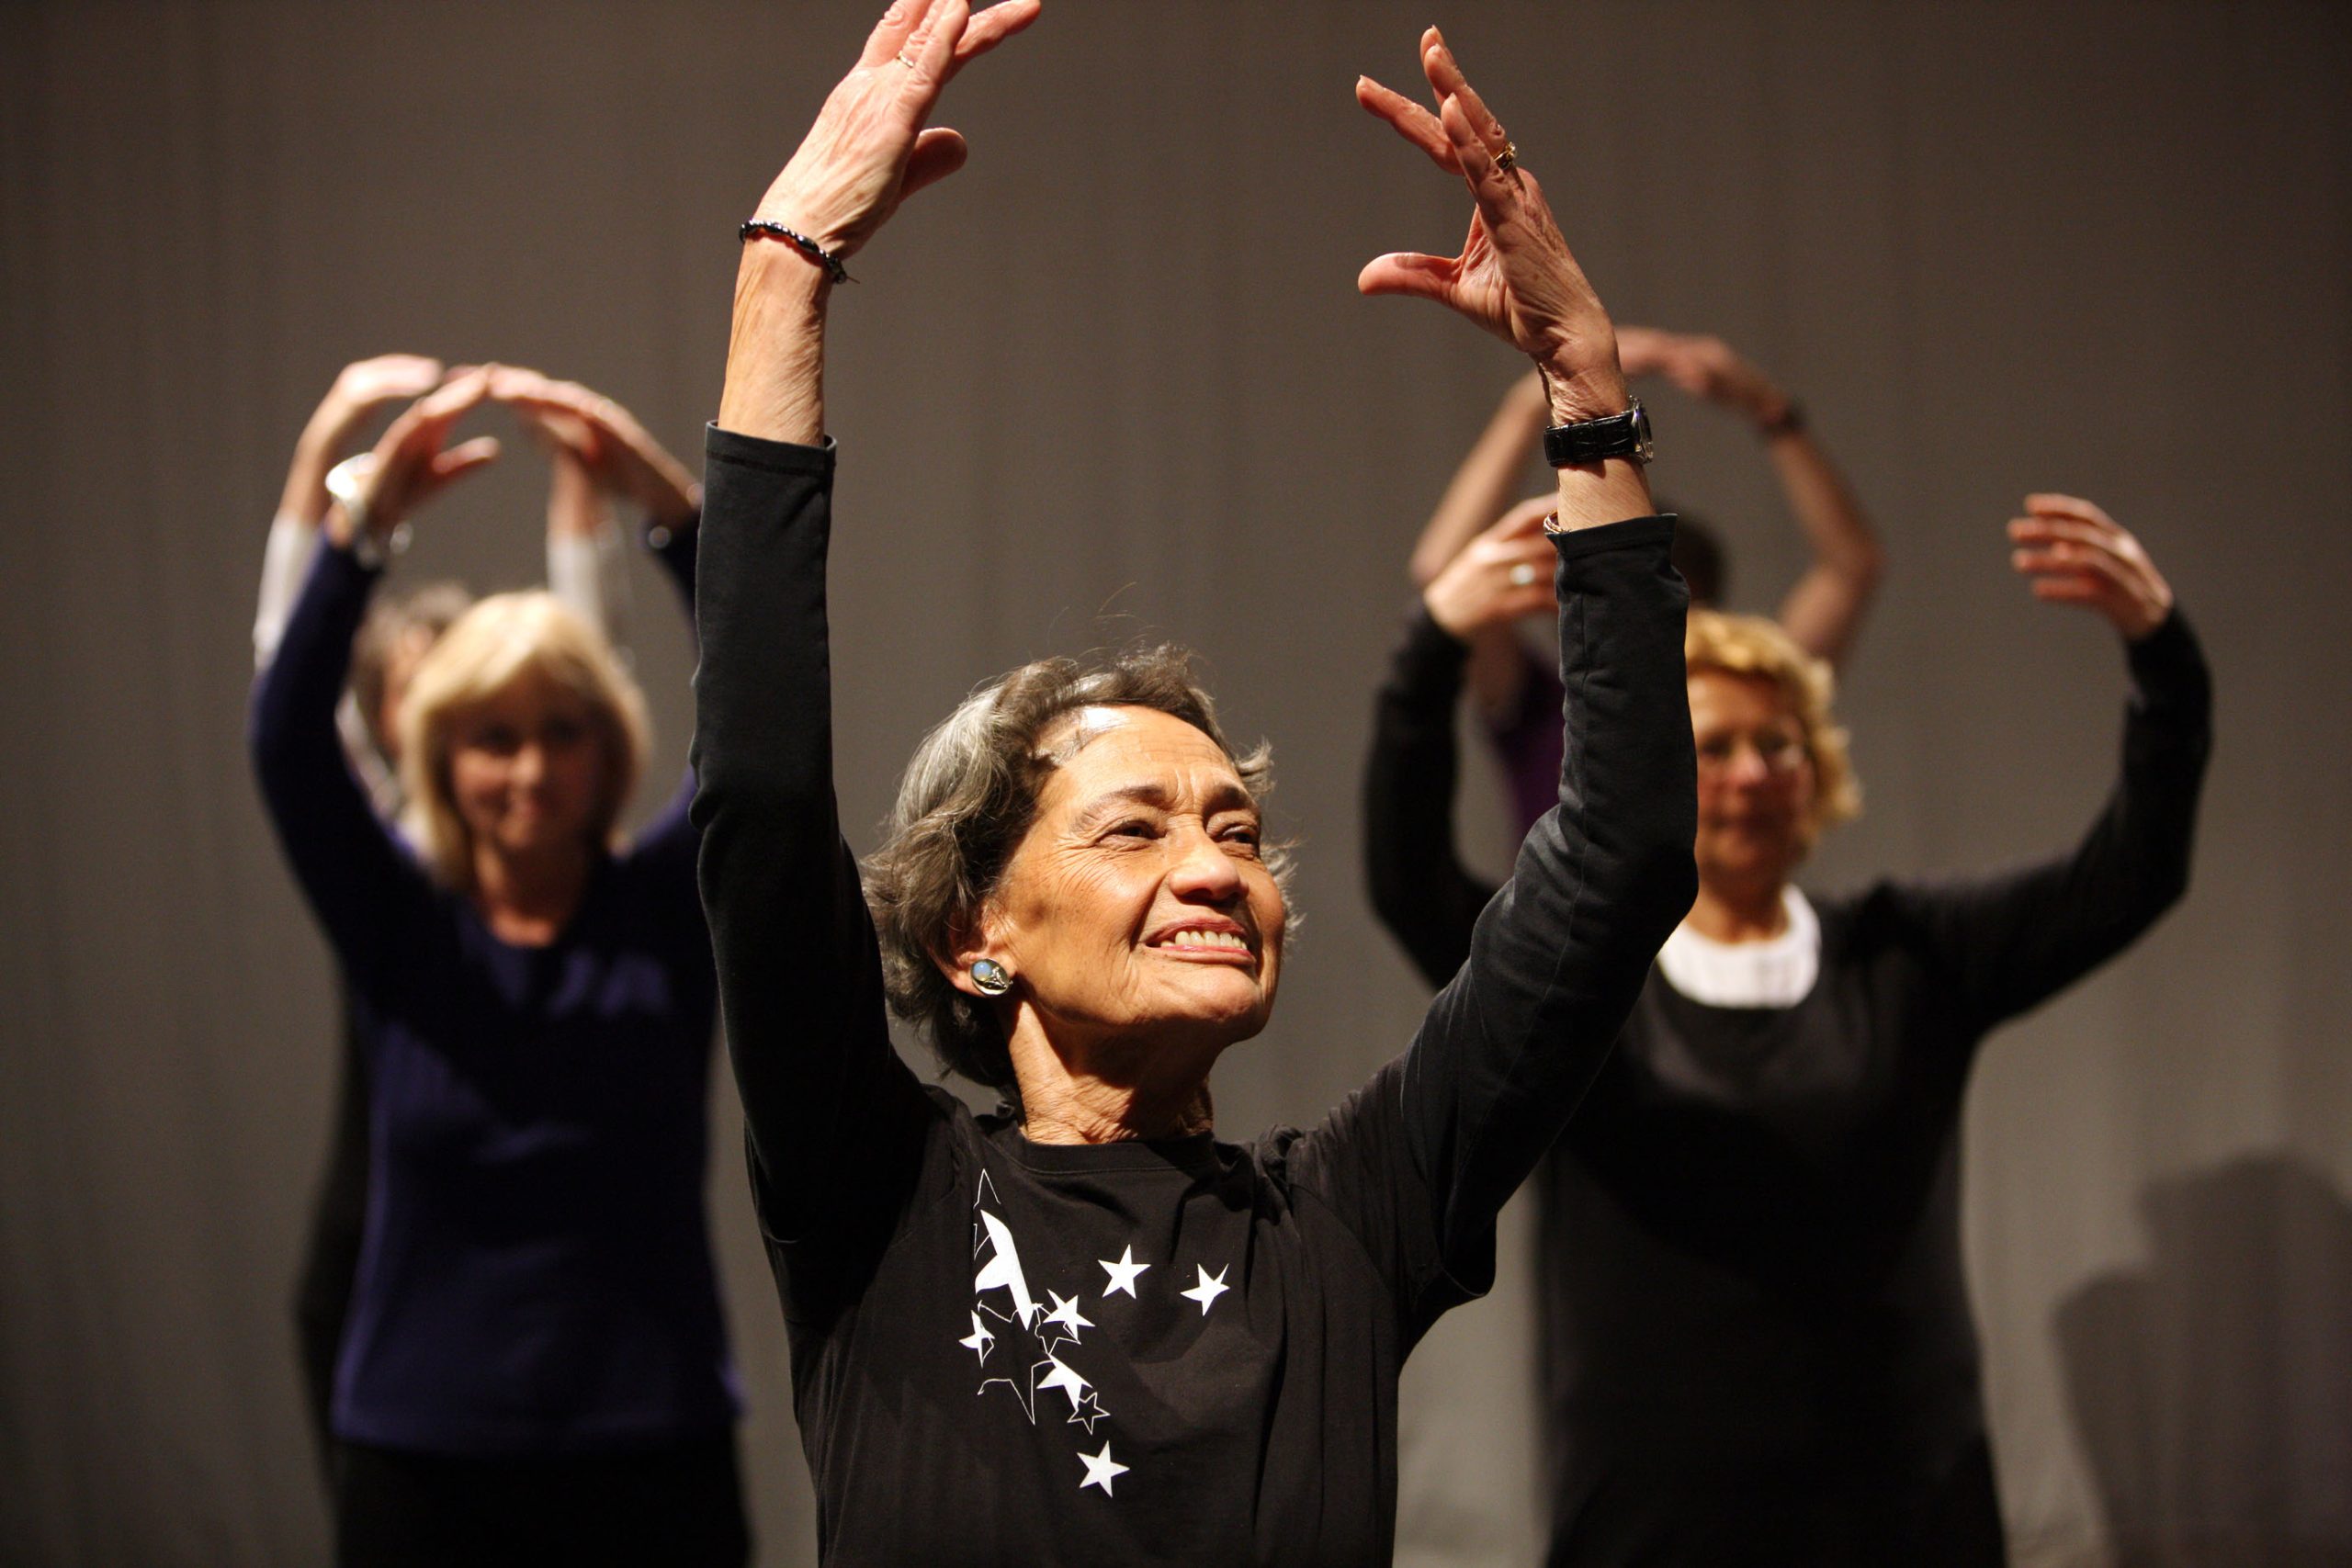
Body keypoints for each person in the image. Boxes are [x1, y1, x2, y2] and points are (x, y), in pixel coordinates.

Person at [690, 5, 1695, 1561]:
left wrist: (1587, 391)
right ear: (974, 931)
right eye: (1135, 827)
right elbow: (758, 799)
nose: (1220, 865)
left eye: (1237, 827)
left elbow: (1620, 851)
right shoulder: (878, 1192)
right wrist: (784, 268)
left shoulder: (1352, 1214)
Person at [1363, 491, 2211, 1563]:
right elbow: (1410, 882)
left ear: (1816, 772)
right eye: (1714, 748)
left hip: (1906, 1512)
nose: (1752, 775)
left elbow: (2132, 874)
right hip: (1655, 1525)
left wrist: (2164, 662)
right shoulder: (1577, 985)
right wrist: (1429, 653)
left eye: (1779, 744)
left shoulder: (1909, 958)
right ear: (1655, 782)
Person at [249, 368, 748, 1566]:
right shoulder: (399, 923)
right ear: (440, 757)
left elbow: (757, 726)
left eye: (561, 732)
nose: (529, 771)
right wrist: (357, 535)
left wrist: (675, 515)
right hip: (423, 1460)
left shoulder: (662, 911)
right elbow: (287, 739)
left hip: (653, 1447)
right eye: (492, 738)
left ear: (607, 746)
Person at [1413, 328, 1884, 834]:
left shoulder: (1751, 697)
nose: (1638, 639)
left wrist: (1773, 412)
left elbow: (1850, 568)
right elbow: (1448, 578)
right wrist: (1532, 402)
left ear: (1703, 615)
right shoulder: (1544, 710)